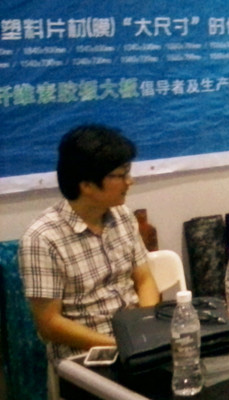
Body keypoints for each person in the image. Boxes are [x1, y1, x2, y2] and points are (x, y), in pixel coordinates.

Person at [20, 124, 160, 362]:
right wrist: (119, 345)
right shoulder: (42, 239)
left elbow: (144, 279)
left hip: (137, 343)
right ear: (86, 185)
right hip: (86, 356)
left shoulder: (123, 216)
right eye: (121, 175)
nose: (130, 181)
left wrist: (144, 329)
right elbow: (49, 324)